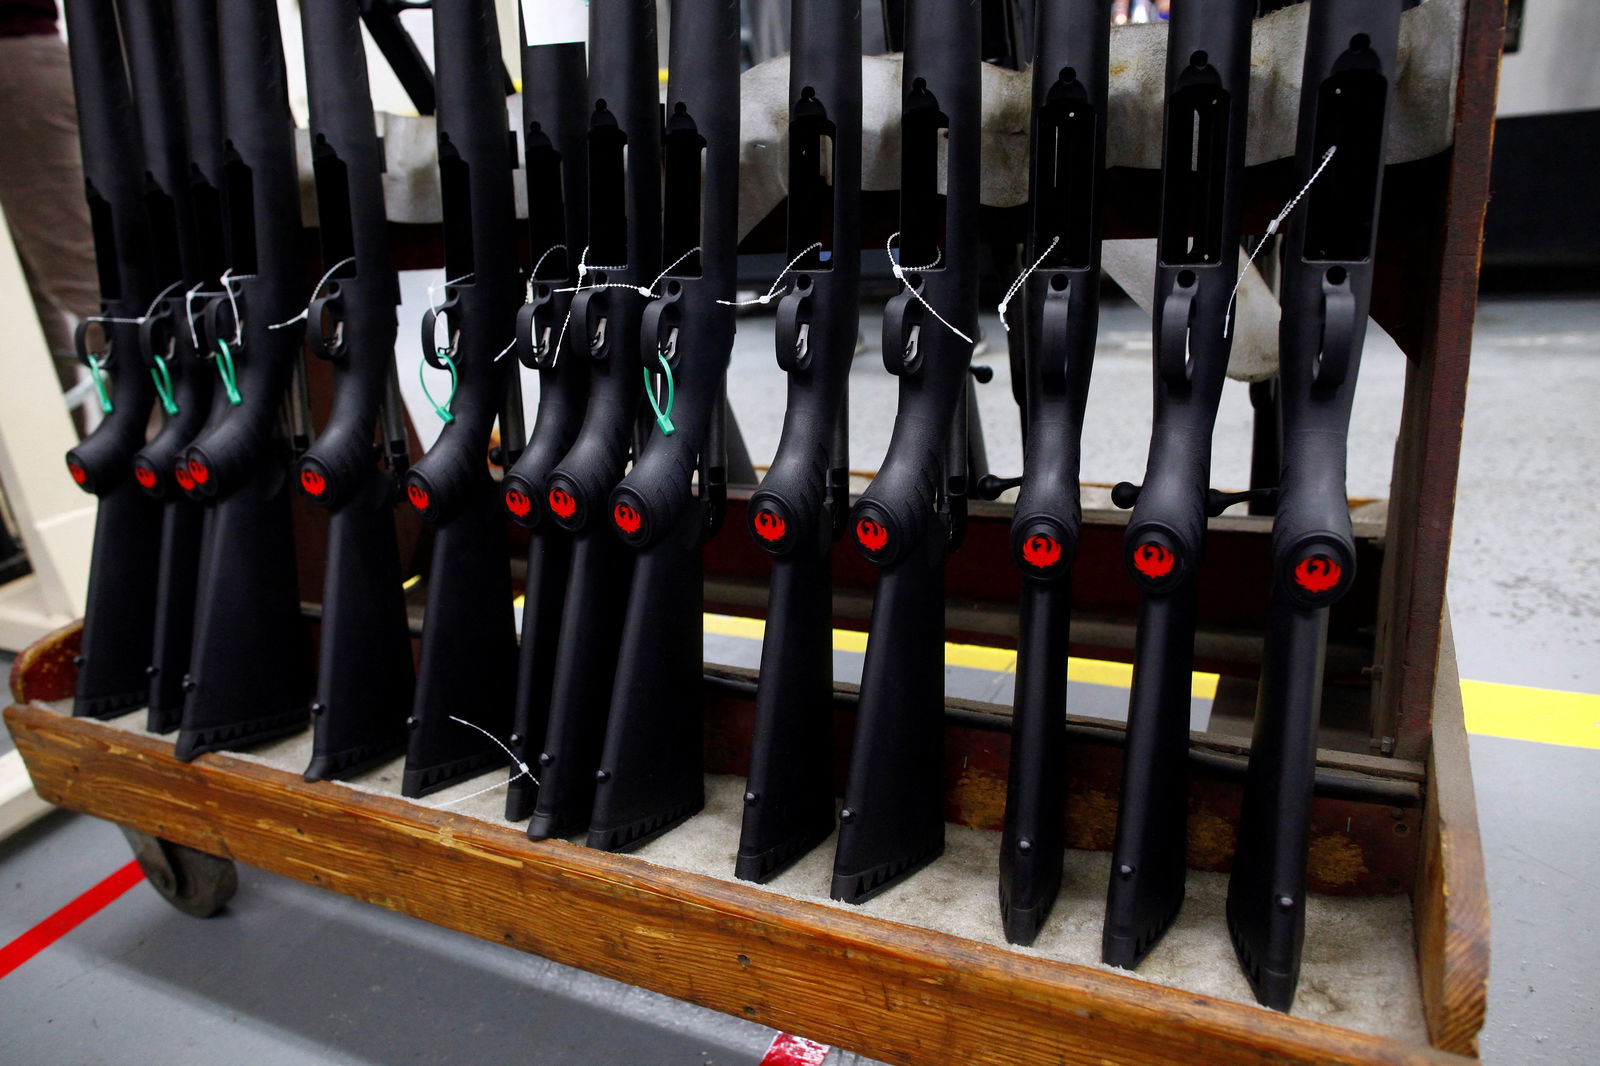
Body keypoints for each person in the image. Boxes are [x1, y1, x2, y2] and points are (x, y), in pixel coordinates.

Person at [0, 0, 101, 432]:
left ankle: (164, 457)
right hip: (19, 59)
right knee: (35, 298)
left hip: (14, 55)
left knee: (90, 282)